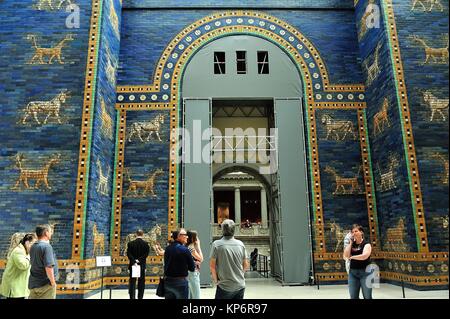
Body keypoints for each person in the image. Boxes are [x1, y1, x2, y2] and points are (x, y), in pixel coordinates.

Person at [210, 219, 249, 299]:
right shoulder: (240, 244)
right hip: (240, 285)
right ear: (234, 230)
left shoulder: (216, 244)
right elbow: (246, 264)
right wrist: (241, 274)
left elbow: (212, 266)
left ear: (222, 230)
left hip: (224, 286)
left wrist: (216, 281)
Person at [0, 233, 37, 299]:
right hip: (15, 288)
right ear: (27, 243)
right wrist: (31, 255)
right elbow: (23, 265)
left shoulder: (25, 251)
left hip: (20, 287)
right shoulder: (18, 251)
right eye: (34, 244)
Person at [163, 228, 195, 299]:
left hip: (168, 282)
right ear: (179, 236)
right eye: (185, 235)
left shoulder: (167, 249)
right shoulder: (184, 250)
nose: (187, 237)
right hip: (180, 283)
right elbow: (192, 268)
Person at [29, 224, 58, 299]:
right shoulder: (46, 247)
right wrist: (53, 282)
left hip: (34, 284)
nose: (51, 233)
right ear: (46, 233)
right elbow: (49, 266)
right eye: (50, 231)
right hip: (45, 285)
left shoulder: (33, 246)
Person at [343, 224, 373, 299]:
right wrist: (350, 243)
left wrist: (353, 257)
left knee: (367, 296)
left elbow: (364, 256)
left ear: (361, 232)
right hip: (353, 273)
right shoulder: (351, 245)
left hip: (366, 273)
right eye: (352, 232)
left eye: (356, 231)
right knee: (353, 296)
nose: (354, 233)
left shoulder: (367, 244)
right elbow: (346, 256)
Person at [127, 229, 150, 299]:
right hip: (142, 266)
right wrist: (139, 260)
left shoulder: (130, 243)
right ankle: (140, 297)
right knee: (141, 282)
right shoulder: (146, 244)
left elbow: (128, 254)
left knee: (132, 282)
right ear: (142, 234)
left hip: (133, 265)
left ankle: (132, 297)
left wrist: (134, 261)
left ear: (136, 234)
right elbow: (146, 255)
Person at [186, 230, 203, 299]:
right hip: (192, 273)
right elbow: (201, 258)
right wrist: (198, 245)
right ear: (193, 238)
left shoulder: (187, 246)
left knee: (190, 296)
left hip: (188, 273)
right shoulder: (191, 248)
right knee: (196, 295)